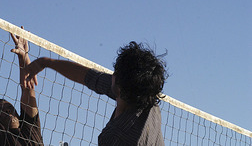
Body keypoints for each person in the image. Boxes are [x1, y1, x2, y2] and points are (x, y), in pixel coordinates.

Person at [24, 41, 167, 146]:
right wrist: (46, 62)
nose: (112, 75)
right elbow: (88, 76)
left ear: (119, 87)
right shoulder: (147, 99)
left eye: (114, 73)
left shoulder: (114, 137)